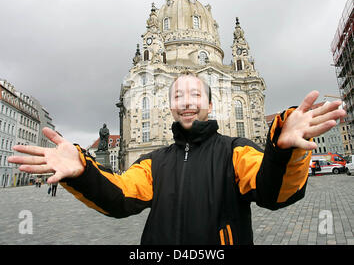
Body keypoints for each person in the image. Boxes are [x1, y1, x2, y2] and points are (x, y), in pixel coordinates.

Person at [8, 73, 346, 245]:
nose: (187, 102)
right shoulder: (154, 162)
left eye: (196, 94)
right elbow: (120, 197)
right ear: (169, 105)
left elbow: (274, 193)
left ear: (211, 105)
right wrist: (83, 171)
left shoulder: (236, 150)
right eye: (178, 95)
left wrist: (283, 151)